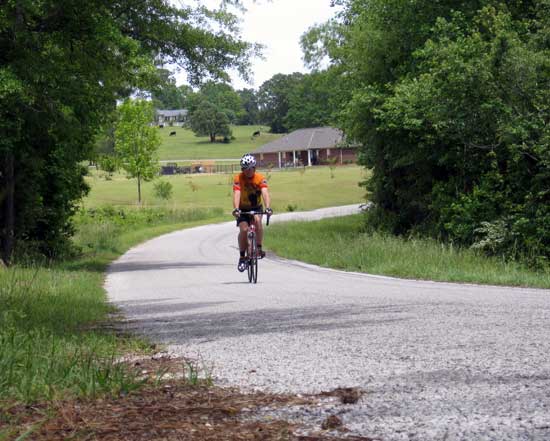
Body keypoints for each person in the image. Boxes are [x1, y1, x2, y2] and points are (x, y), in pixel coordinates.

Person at [232, 153, 273, 272]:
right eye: (245, 169)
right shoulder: (238, 178)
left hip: (256, 207)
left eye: (250, 168)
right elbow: (237, 194)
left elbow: (265, 192)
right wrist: (236, 209)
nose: (247, 171)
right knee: (244, 230)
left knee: (257, 221)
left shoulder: (260, 178)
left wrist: (268, 207)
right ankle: (242, 257)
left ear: (254, 168)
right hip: (242, 208)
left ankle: (259, 248)